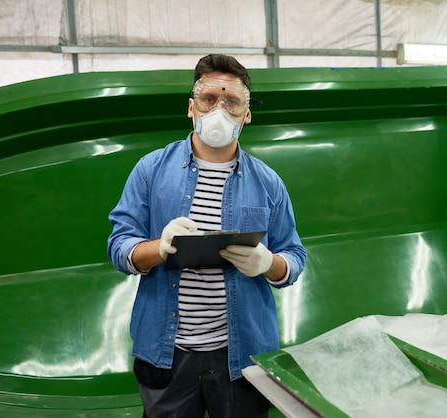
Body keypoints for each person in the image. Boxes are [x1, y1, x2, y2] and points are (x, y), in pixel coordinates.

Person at [107, 54, 306, 418]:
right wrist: (158, 248)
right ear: (191, 107)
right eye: (208, 98)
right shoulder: (150, 171)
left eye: (231, 101)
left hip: (241, 356)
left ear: (246, 114)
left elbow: (294, 258)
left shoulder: (268, 183)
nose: (219, 109)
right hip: (168, 354)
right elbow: (119, 247)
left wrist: (269, 263)